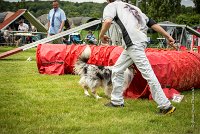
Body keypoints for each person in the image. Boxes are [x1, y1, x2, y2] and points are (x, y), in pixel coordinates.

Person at [99, 0, 177, 114]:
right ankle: (116, 101)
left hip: (133, 43)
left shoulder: (111, 6)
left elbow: (107, 21)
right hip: (137, 42)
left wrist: (101, 35)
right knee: (117, 70)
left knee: (148, 74)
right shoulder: (133, 8)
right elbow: (152, 23)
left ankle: (165, 106)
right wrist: (168, 36)